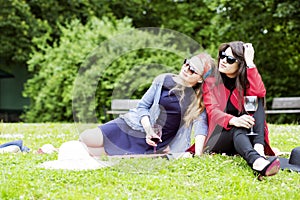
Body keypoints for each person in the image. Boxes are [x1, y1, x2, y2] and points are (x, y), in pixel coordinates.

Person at [79, 52, 215, 157]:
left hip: (155, 142)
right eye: (187, 64)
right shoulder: (163, 79)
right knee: (85, 138)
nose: (186, 69)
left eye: (193, 70)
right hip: (135, 125)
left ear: (200, 79)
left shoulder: (197, 100)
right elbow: (143, 106)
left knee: (90, 152)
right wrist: (149, 130)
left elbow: (200, 126)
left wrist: (198, 155)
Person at [187, 41, 280, 177]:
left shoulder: (245, 82)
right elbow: (212, 112)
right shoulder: (211, 82)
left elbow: (260, 92)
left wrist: (250, 63)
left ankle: (258, 148)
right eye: (223, 56)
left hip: (244, 136)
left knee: (256, 99)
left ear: (240, 64)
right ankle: (256, 159)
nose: (223, 61)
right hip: (218, 138)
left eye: (230, 59)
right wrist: (233, 120)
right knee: (238, 127)